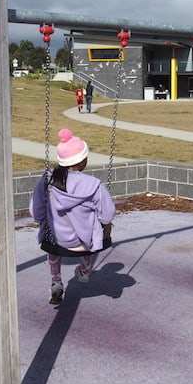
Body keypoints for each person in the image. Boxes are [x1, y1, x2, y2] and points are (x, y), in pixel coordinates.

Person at [30, 128, 116, 304]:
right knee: (95, 228)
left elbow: (36, 212)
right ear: (82, 161)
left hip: (56, 241)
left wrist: (45, 219)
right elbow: (107, 216)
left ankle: (56, 282)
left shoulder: (47, 179)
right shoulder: (93, 185)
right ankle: (85, 270)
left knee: (50, 235)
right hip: (85, 243)